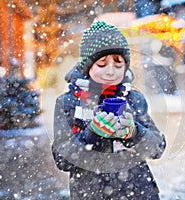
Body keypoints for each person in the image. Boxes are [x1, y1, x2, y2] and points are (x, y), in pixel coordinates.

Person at [51, 21, 166, 199]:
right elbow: (63, 159)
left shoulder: (134, 99)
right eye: (102, 64)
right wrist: (92, 134)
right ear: (87, 66)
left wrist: (134, 133)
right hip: (91, 193)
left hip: (138, 192)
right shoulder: (69, 103)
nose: (111, 72)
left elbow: (157, 148)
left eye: (118, 64)